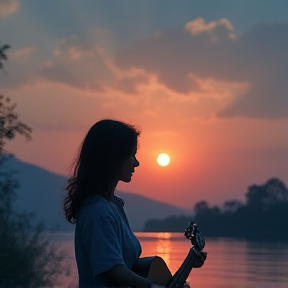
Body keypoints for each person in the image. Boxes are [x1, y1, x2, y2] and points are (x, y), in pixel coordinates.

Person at [63, 119, 206, 288]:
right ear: (113, 156)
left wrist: (185, 265)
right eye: (132, 154)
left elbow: (127, 266)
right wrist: (151, 286)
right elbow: (111, 269)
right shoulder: (99, 211)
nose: (136, 163)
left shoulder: (112, 206)